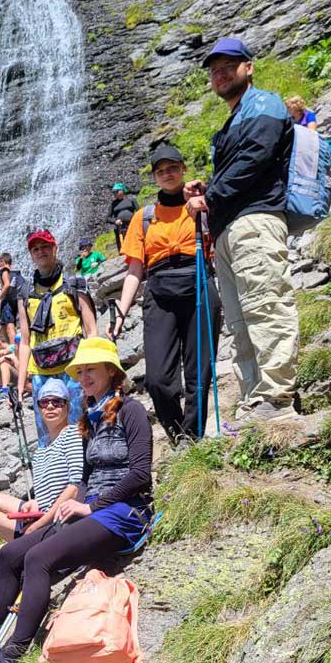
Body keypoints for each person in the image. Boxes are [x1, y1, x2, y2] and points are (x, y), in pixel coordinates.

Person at [0, 338, 152, 663]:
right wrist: (71, 505)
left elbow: (141, 474)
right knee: (8, 554)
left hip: (126, 511)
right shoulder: (89, 420)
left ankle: (14, 652)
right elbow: (85, 478)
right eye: (80, 371)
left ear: (110, 371)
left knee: (38, 558)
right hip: (94, 509)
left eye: (91, 369)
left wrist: (92, 506)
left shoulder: (131, 411)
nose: (84, 377)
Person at [184, 36, 299, 424]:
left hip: (256, 220)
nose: (220, 73)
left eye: (228, 65)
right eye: (214, 69)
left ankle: (278, 396)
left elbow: (255, 158)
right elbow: (239, 166)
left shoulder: (264, 103)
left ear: (248, 66)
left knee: (266, 305)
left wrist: (209, 195)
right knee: (240, 320)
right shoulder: (234, 118)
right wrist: (207, 189)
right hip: (230, 230)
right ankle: (254, 399)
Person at [112, 143, 222, 443]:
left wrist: (203, 199)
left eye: (172, 167)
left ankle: (192, 438)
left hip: (198, 280)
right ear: (154, 177)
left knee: (199, 372)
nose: (167, 174)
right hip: (159, 291)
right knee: (158, 379)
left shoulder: (200, 204)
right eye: (161, 171)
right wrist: (121, 312)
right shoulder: (144, 217)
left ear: (183, 168)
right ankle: (176, 433)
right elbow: (135, 269)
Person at [0, 377, 83, 620]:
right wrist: (34, 506)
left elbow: (75, 486)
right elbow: (45, 488)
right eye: (45, 403)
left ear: (67, 406)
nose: (51, 407)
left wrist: (42, 521)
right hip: (40, 513)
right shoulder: (41, 448)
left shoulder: (73, 435)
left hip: (56, 520)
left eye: (57, 402)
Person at [15, 228, 97, 445]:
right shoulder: (24, 293)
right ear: (31, 255)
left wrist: (96, 370)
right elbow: (24, 341)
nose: (40, 252)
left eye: (45, 247)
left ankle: (83, 476)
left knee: (79, 430)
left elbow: (91, 329)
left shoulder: (74, 283)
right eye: (35, 249)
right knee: (47, 436)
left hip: (74, 370)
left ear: (55, 248)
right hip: (41, 373)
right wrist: (21, 384)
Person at [0, 253, 25, 344]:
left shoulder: (4, 270)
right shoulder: (16, 273)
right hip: (17, 299)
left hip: (8, 301)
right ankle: (10, 346)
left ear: (3, 261)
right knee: (6, 326)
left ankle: (14, 348)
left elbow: (6, 285)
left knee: (9, 325)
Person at [108, 183, 139, 253]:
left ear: (122, 191)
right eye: (113, 192)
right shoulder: (113, 204)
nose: (114, 193)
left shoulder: (131, 199)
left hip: (132, 225)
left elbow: (139, 211)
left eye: (116, 191)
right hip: (120, 228)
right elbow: (108, 218)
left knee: (135, 243)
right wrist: (115, 221)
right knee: (123, 246)